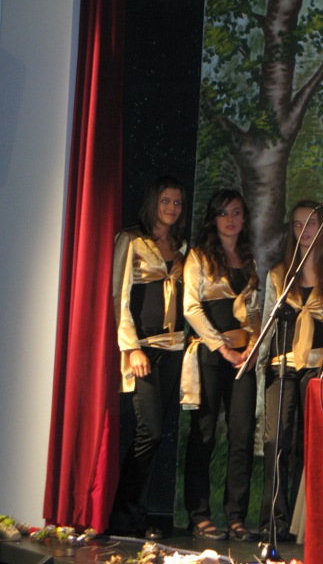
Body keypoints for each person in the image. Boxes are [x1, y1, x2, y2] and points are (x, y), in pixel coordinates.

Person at [109, 176, 187, 539]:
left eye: (177, 202)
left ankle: (136, 514)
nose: (172, 208)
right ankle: (123, 515)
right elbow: (119, 296)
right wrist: (131, 347)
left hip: (174, 348)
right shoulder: (131, 239)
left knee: (155, 435)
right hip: (144, 348)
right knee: (149, 432)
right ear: (153, 201)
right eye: (165, 201)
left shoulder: (181, 246)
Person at [181, 189, 261, 542]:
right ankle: (199, 515)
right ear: (213, 218)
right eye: (224, 213)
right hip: (211, 355)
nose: (231, 219)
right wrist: (222, 348)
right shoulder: (198, 256)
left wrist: (254, 343)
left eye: (237, 212)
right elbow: (191, 308)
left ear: (245, 218)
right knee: (204, 433)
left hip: (245, 357)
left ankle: (236, 517)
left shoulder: (249, 258)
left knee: (242, 435)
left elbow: (254, 309)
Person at [259, 200, 323, 542]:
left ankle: (306, 524)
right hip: (283, 365)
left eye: (312, 223)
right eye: (298, 224)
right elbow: (266, 324)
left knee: (311, 444)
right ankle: (273, 521)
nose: (304, 231)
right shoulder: (280, 274)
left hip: (319, 367)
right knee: (275, 439)